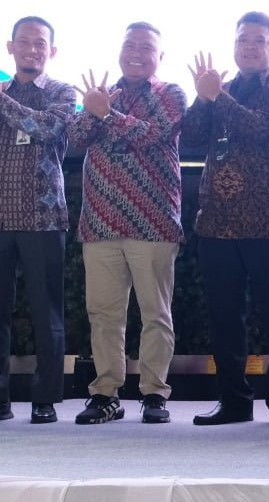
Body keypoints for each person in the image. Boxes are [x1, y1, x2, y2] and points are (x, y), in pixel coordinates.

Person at [182, 13, 269, 427]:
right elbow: (191, 136)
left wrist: (217, 96)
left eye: (260, 40)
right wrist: (203, 98)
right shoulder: (219, 89)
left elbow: (259, 129)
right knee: (224, 316)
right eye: (243, 39)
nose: (250, 46)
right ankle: (233, 401)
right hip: (217, 220)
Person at [68, 22, 186, 426]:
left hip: (153, 223)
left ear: (160, 56)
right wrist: (93, 110)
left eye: (146, 47)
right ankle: (105, 394)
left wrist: (106, 114)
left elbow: (151, 135)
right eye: (130, 45)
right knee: (104, 314)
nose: (136, 53)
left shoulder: (170, 94)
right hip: (100, 221)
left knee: (156, 313)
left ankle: (154, 393)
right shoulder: (101, 93)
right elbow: (76, 137)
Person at [0, 16, 78, 425]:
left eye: (40, 42)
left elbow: (44, 128)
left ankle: (45, 399)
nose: (31, 48)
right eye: (24, 41)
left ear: (52, 51)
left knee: (47, 313)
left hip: (42, 217)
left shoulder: (63, 92)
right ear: (10, 47)